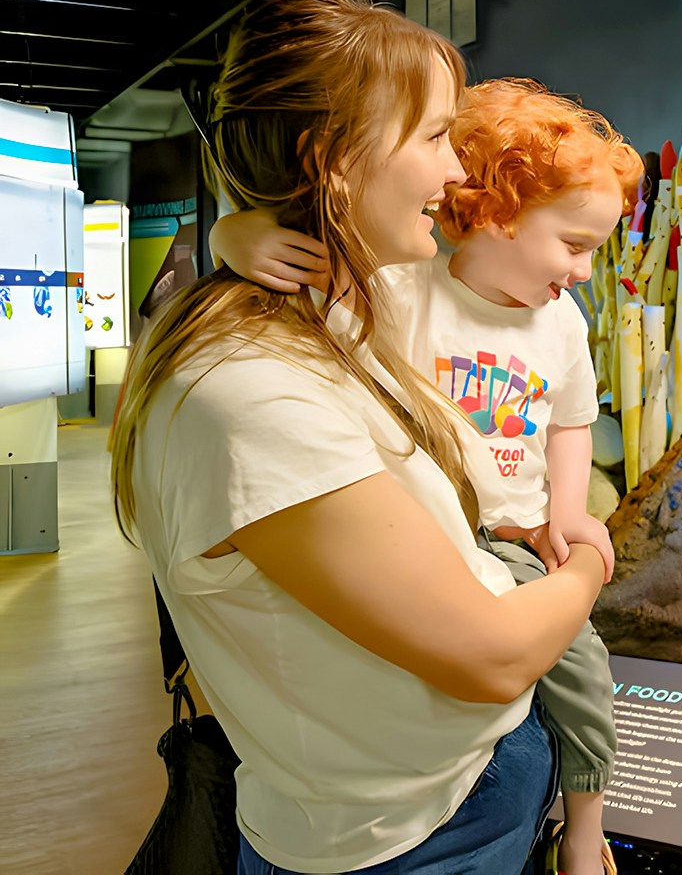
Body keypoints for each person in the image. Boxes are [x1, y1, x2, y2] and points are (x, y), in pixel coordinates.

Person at [110, 0, 607, 874]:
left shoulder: (323, 316)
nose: (456, 172)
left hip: (448, 800)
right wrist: (594, 562)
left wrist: (237, 229)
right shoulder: (252, 390)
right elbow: (493, 658)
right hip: (409, 838)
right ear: (333, 158)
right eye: (431, 138)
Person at [212, 78, 639, 875]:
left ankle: (584, 829)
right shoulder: (407, 289)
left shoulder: (563, 325)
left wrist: (568, 517)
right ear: (502, 210)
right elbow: (303, 269)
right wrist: (233, 236)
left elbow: (571, 422)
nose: (583, 271)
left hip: (511, 541)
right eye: (574, 245)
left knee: (582, 668)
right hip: (420, 532)